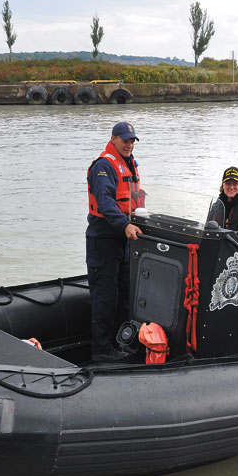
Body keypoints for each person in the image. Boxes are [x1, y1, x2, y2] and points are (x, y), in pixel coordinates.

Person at [86, 121, 143, 361]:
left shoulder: (128, 164)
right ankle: (101, 350)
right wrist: (125, 225)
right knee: (105, 295)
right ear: (113, 139)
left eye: (132, 140)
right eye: (125, 140)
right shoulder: (104, 166)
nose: (129, 144)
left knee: (125, 293)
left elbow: (134, 200)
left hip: (125, 238)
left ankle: (122, 342)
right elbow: (106, 204)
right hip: (105, 237)